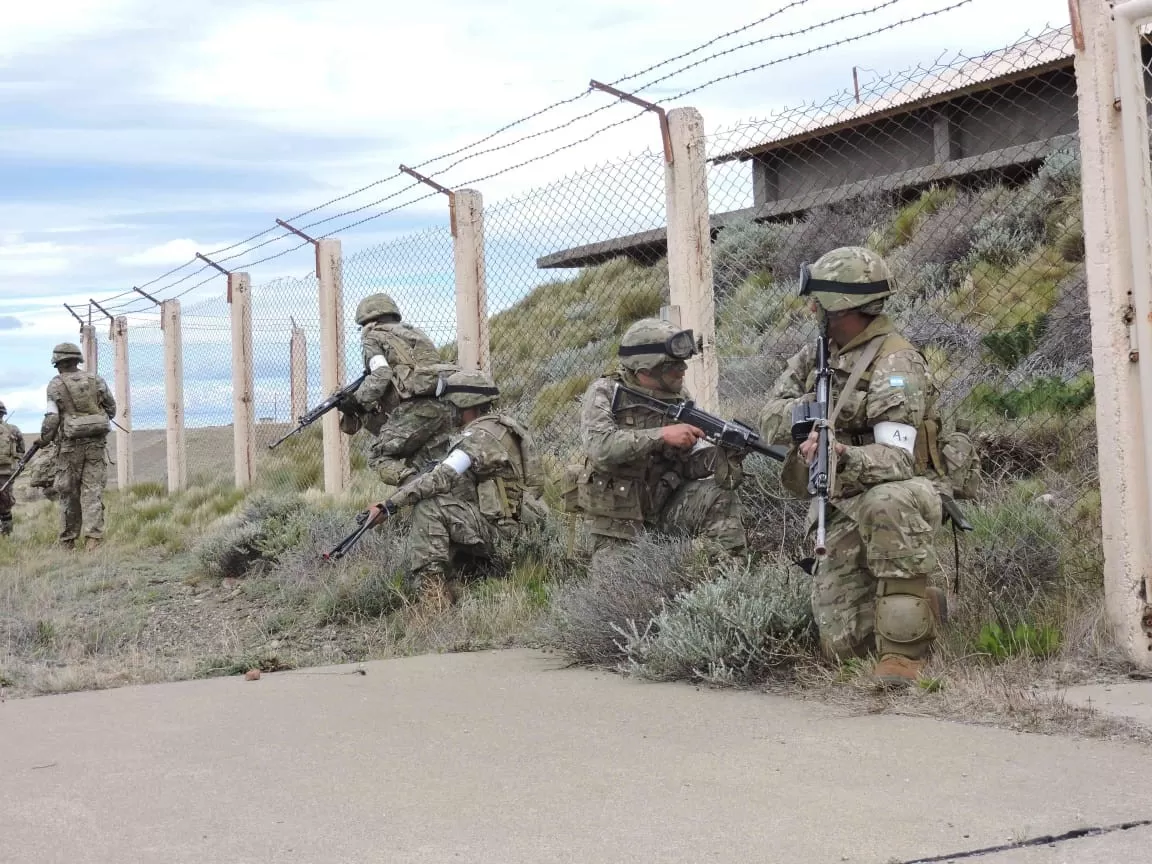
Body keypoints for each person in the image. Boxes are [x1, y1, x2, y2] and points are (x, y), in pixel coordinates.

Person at [759, 247, 950, 686]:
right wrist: (811, 418)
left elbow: (898, 458)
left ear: (842, 306)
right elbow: (770, 415)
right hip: (840, 495)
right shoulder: (817, 354)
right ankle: (928, 607)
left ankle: (904, 656)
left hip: (901, 486)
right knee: (843, 647)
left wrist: (845, 452)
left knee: (888, 501)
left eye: (819, 300)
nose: (811, 308)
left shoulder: (896, 361)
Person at [572, 317, 747, 572]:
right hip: (618, 524)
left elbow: (686, 465)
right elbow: (600, 447)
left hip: (665, 506)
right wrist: (662, 434)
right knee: (617, 596)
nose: (683, 370)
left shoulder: (679, 398)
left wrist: (719, 456)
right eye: (673, 366)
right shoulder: (605, 392)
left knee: (720, 495)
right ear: (645, 370)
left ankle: (728, 577)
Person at [366, 370, 547, 608]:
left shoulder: (477, 438)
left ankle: (433, 599)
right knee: (450, 501)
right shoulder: (504, 427)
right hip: (525, 526)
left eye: (451, 406)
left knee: (430, 507)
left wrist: (389, 506)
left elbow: (441, 477)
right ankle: (465, 575)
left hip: (507, 534)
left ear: (464, 404)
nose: (449, 412)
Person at [339, 293, 459, 486]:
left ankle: (416, 489)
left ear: (367, 321)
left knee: (379, 456)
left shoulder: (373, 336)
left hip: (413, 410)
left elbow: (381, 373)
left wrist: (357, 400)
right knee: (430, 464)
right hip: (444, 405)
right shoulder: (415, 334)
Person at [39, 342, 116, 551]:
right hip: (95, 446)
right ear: (77, 360)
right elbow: (111, 408)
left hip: (69, 448)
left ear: (57, 363)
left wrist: (44, 439)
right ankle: (93, 540)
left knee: (68, 492)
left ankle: (68, 541)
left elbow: (52, 418)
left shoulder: (55, 385)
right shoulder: (95, 380)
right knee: (92, 491)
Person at [0, 400, 26, 536]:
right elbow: (21, 450)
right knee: (5, 504)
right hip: (7, 473)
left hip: (7, 473)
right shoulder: (13, 429)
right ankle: (6, 535)